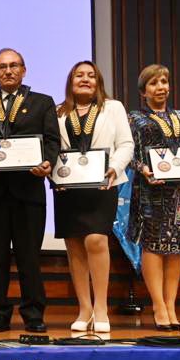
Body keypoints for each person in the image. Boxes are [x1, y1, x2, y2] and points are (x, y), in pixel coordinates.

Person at [0, 48, 60, 332]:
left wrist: (48, 162)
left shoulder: (42, 102)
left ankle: (34, 314)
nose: (8, 71)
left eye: (14, 65)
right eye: (2, 67)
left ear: (24, 70)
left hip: (29, 192)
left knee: (30, 258)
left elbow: (52, 141)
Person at [54, 60, 133, 333]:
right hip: (68, 188)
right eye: (79, 75)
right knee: (75, 246)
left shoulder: (113, 108)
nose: (85, 79)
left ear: (98, 82)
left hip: (102, 185)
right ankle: (84, 308)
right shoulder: (58, 112)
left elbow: (126, 144)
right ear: (71, 82)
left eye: (91, 75)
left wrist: (115, 167)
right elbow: (52, 149)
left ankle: (101, 307)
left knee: (96, 240)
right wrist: (54, 176)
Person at [127, 64, 180, 331]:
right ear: (143, 91)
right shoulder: (135, 118)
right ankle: (158, 305)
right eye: (154, 83)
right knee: (153, 245)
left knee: (176, 247)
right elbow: (128, 154)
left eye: (164, 81)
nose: (161, 87)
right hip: (150, 188)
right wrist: (142, 168)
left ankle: (171, 306)